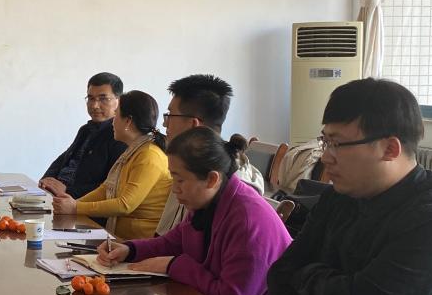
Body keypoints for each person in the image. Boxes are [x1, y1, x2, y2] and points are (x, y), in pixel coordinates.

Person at [266, 78, 432, 295]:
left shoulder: (428, 218)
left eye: (337, 144)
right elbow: (278, 280)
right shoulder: (340, 196)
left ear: (390, 149)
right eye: (325, 140)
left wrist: (308, 277)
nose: (325, 157)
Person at [97, 127, 292, 295]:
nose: (174, 189)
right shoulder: (207, 202)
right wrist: (129, 249)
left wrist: (173, 265)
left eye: (180, 180)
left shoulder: (249, 221)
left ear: (212, 179)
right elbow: (172, 242)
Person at [51, 90, 171, 240]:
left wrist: (76, 208)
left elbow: (125, 205)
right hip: (118, 239)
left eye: (116, 115)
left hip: (138, 244)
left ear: (128, 121)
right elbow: (106, 188)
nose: (113, 121)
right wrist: (72, 204)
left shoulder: (149, 155)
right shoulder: (135, 150)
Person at [157, 74, 265, 234]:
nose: (165, 123)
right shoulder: (188, 164)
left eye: (170, 116)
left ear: (193, 125)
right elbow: (169, 238)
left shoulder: (229, 185)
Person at [38, 73, 128, 198]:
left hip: (80, 202)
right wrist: (47, 180)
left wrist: (67, 190)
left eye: (103, 99)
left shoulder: (120, 136)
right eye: (91, 98)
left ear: (119, 101)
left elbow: (112, 186)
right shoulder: (86, 130)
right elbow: (63, 160)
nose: (95, 105)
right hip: (57, 196)